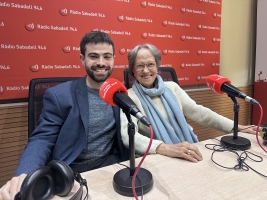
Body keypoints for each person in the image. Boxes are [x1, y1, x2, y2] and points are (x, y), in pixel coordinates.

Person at [0, 31, 129, 200]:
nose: (101, 63)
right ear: (82, 59)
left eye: (107, 56)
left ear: (113, 59)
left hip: (108, 167)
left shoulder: (118, 93)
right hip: (69, 172)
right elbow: (42, 138)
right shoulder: (59, 95)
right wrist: (25, 174)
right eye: (93, 56)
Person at [120, 43, 258, 163]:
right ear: (132, 70)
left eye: (150, 64)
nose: (146, 71)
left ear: (157, 66)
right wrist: (166, 148)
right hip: (159, 158)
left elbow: (199, 112)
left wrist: (235, 127)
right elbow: (128, 136)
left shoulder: (172, 88)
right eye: (140, 66)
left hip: (188, 149)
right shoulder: (129, 97)